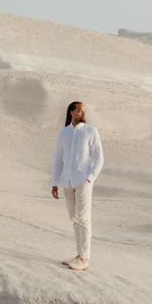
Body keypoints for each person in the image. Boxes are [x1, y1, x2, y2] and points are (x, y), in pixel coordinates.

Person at [50, 100, 104, 271]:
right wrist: (55, 183)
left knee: (83, 218)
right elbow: (58, 160)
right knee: (74, 219)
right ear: (71, 112)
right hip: (67, 181)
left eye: (84, 111)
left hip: (83, 181)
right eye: (80, 110)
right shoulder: (64, 134)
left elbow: (98, 158)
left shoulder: (90, 131)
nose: (83, 113)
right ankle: (79, 254)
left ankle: (84, 258)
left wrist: (90, 178)